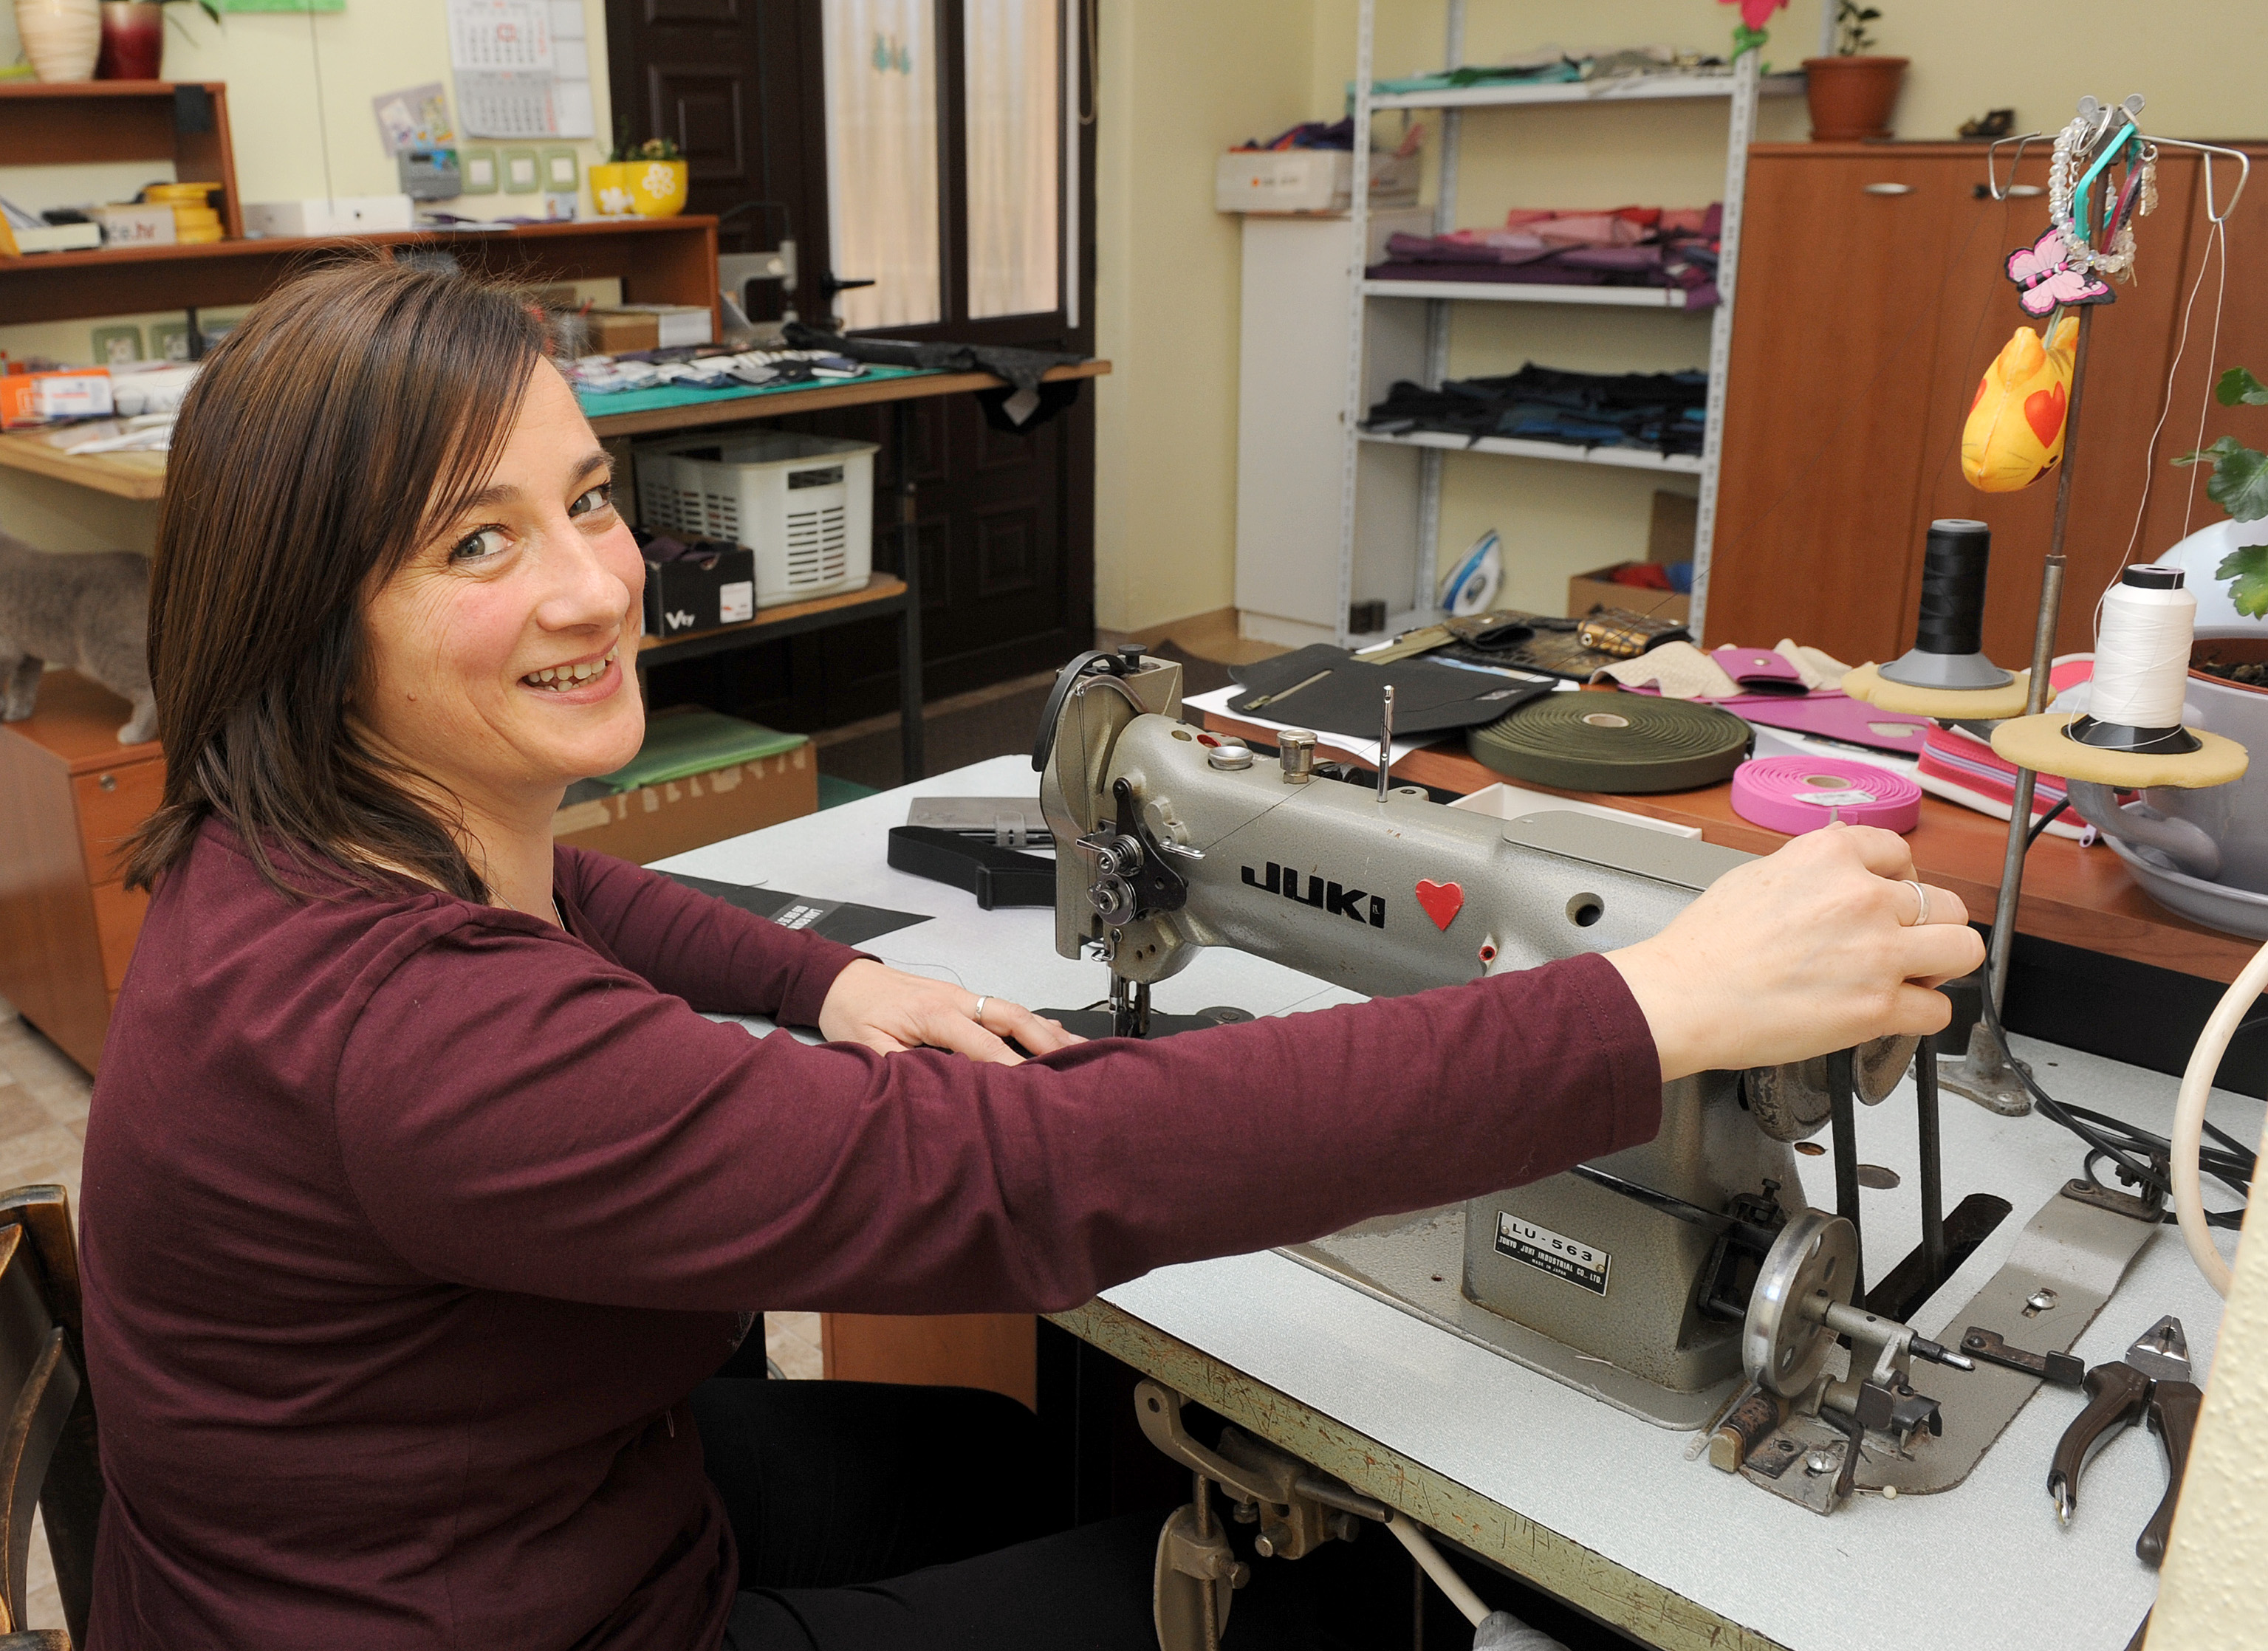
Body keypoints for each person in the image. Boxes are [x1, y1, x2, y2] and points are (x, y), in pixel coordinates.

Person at [80, 260, 1981, 1651]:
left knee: (1015, 1454)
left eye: (585, 498)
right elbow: (1023, 1179)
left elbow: (572, 901)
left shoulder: (303, 845)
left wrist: (827, 980)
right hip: (506, 1611)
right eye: (474, 546)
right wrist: (1651, 1009)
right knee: (1304, 1611)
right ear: (320, 623)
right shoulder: (418, 1039)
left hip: (442, 1519)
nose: (595, 583)